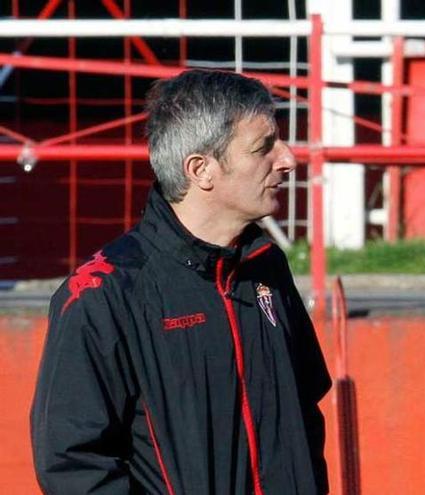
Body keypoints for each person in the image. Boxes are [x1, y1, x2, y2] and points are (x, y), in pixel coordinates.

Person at [31, 70, 331, 495]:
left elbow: (306, 412)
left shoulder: (266, 264)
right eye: (263, 147)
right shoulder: (104, 295)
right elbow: (74, 465)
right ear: (201, 169)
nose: (287, 159)